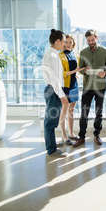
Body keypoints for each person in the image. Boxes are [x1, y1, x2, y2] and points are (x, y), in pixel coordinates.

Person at [72, 29, 106, 147]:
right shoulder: (83, 52)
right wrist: (85, 70)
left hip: (100, 86)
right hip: (87, 86)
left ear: (97, 38)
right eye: (89, 40)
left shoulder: (105, 52)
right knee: (84, 112)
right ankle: (81, 137)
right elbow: (80, 68)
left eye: (93, 40)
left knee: (99, 112)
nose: (91, 42)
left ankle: (97, 134)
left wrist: (105, 73)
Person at [41, 29, 69, 158]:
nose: (64, 44)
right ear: (57, 41)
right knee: (50, 121)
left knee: (51, 120)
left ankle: (51, 144)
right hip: (53, 90)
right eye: (63, 41)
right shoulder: (52, 56)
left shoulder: (52, 54)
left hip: (52, 90)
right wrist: (62, 95)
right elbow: (54, 78)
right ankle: (51, 149)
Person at [58, 34, 84, 145]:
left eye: (70, 42)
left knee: (71, 111)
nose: (68, 44)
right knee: (63, 112)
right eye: (66, 42)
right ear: (63, 43)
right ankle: (64, 136)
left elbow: (77, 69)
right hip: (66, 86)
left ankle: (71, 133)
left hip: (74, 85)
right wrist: (75, 71)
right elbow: (62, 73)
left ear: (73, 43)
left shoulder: (75, 54)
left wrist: (77, 74)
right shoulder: (60, 56)